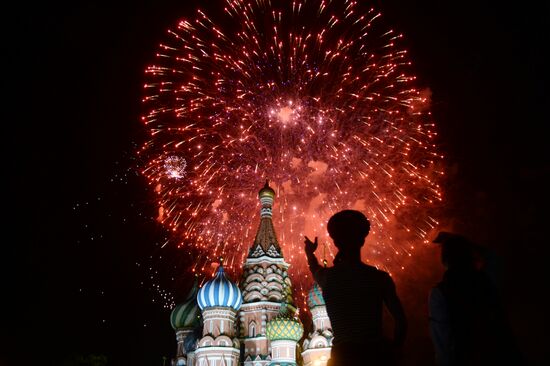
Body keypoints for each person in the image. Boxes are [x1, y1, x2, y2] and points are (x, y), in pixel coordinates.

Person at [304, 209, 407, 366]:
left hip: (342, 358)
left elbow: (314, 268)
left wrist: (310, 253)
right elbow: (401, 320)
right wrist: (393, 350)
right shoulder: (379, 278)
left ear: (335, 242)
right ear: (362, 240)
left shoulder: (328, 278)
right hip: (374, 357)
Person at [429, 232, 523, 366]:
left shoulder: (439, 293)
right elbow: (493, 257)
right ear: (470, 255)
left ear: (444, 259)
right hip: (504, 355)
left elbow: (442, 342)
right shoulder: (488, 279)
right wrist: (466, 243)